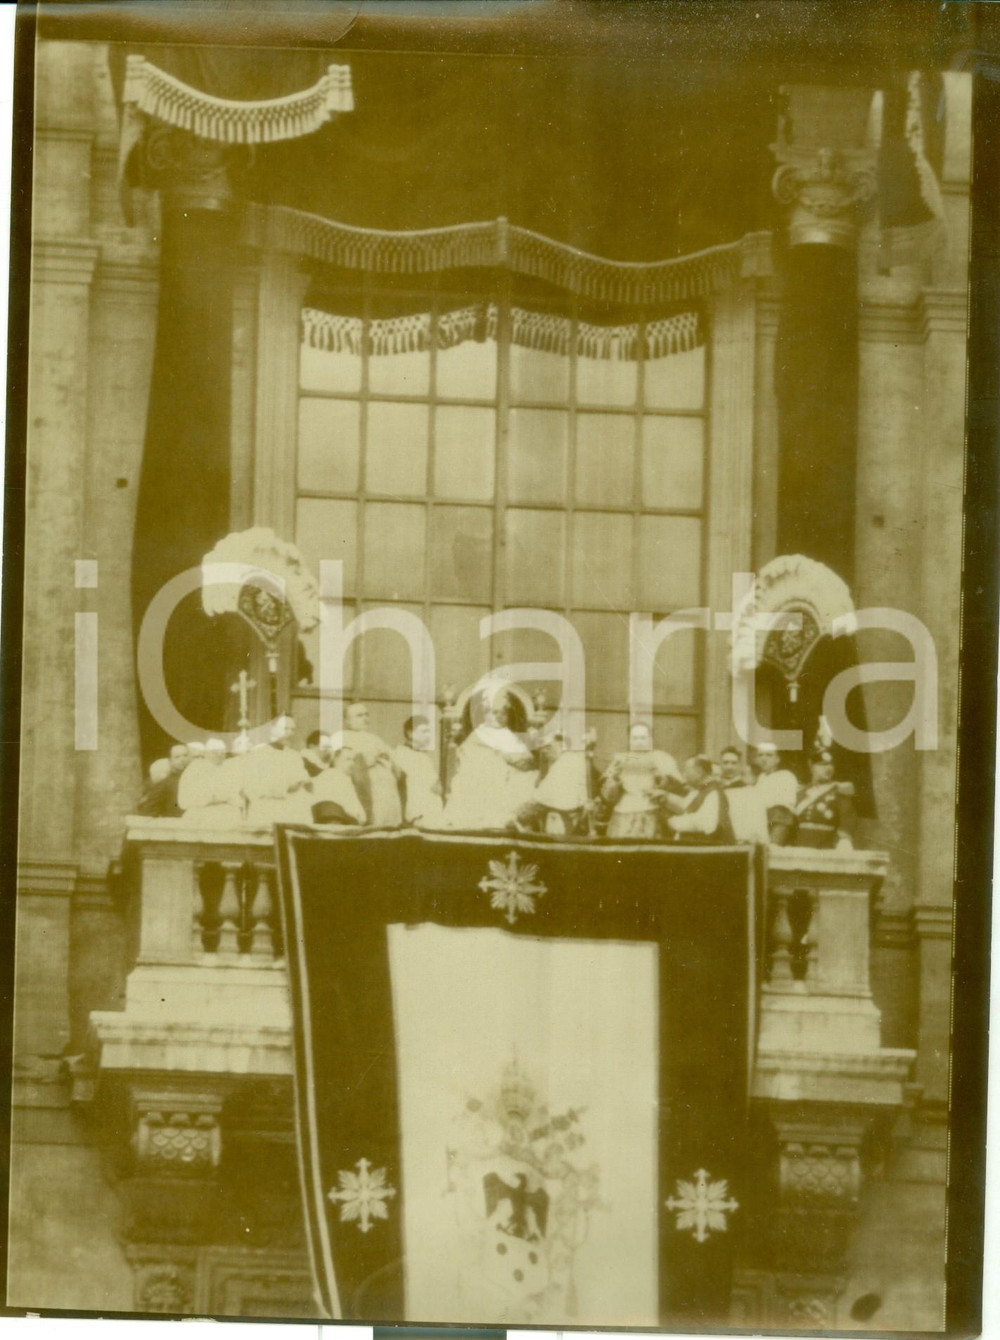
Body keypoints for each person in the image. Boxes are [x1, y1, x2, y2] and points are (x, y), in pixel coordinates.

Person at [442, 685, 539, 831]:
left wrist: (506, 757)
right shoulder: (479, 734)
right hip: (478, 774)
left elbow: (526, 758)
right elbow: (465, 754)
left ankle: (505, 819)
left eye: (503, 713)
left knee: (526, 777)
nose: (499, 716)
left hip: (505, 774)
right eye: (494, 712)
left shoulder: (508, 735)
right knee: (476, 775)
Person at [599, 722, 682, 839]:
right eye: (635, 738)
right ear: (629, 739)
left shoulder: (661, 758)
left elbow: (679, 787)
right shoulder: (621, 759)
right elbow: (607, 796)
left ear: (650, 739)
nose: (639, 741)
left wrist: (661, 778)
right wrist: (615, 779)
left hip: (652, 811)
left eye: (643, 737)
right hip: (623, 812)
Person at [515, 733, 594, 837]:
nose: (544, 752)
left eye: (548, 747)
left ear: (561, 745)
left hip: (560, 827)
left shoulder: (566, 764)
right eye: (542, 749)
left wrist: (518, 816)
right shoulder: (576, 760)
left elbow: (534, 806)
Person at [242, 715, 313, 826]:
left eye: (292, 729)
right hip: (267, 809)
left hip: (292, 808)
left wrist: (302, 783)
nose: (289, 733)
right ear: (272, 730)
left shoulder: (294, 755)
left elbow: (303, 780)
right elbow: (252, 788)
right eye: (285, 729)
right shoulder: (258, 754)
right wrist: (287, 787)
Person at [343, 702, 403, 827]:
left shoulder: (374, 738)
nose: (365, 718)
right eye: (359, 715)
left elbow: (391, 757)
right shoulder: (342, 737)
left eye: (366, 714)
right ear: (347, 720)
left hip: (387, 785)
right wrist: (375, 759)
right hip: (364, 785)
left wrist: (384, 759)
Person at [792, 746, 856, 850]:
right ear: (811, 765)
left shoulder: (839, 790)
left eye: (831, 764)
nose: (828, 768)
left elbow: (848, 817)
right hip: (799, 847)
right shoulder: (800, 792)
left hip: (825, 847)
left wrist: (845, 839)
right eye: (823, 764)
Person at [666, 754, 734, 843]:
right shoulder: (699, 791)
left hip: (713, 851)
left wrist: (673, 822)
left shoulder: (714, 792)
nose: (683, 774)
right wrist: (665, 798)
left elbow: (704, 823)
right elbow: (684, 807)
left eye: (686, 770)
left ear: (699, 772)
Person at [178, 738, 245, 827]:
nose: (219, 755)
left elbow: (237, 794)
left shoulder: (230, 768)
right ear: (207, 753)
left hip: (228, 813)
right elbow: (186, 799)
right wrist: (215, 797)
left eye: (222, 752)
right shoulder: (195, 768)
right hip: (202, 813)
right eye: (215, 752)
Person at [392, 715, 444, 828]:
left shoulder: (424, 757)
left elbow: (436, 786)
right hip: (416, 816)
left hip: (433, 814)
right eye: (424, 731)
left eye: (429, 732)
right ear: (410, 733)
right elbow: (403, 787)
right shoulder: (400, 754)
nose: (428, 735)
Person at [718, 745, 769, 844]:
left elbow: (758, 823)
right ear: (720, 765)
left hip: (740, 842)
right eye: (726, 763)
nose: (729, 767)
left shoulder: (750, 792)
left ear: (740, 766)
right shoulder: (715, 790)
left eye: (734, 763)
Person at [752, 742, 798, 845]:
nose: (764, 759)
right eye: (760, 755)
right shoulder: (760, 779)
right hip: (760, 826)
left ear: (777, 759)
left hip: (778, 824)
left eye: (769, 755)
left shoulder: (786, 776)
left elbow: (784, 813)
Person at [312, 745, 367, 825]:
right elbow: (350, 807)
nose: (352, 763)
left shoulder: (342, 777)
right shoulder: (332, 775)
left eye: (353, 760)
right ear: (336, 759)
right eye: (348, 759)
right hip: (333, 821)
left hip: (340, 820)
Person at [136, 743, 189, 817]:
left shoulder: (197, 779)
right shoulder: (165, 783)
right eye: (177, 757)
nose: (182, 759)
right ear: (171, 761)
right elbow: (148, 809)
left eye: (185, 755)